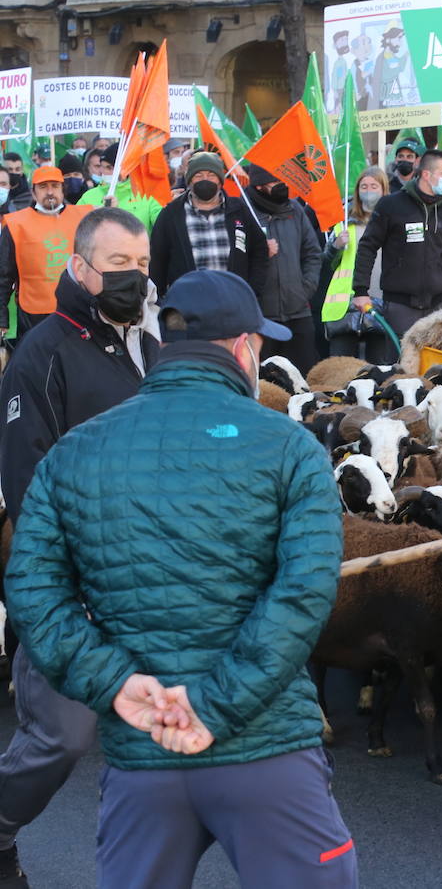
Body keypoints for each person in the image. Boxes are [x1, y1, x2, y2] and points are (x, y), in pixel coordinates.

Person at [4, 268, 356, 887]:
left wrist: (113, 683)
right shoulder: (291, 448)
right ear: (246, 348)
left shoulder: (75, 452)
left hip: (142, 757)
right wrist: (213, 707)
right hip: (267, 754)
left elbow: (33, 592)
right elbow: (301, 596)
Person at [0, 207, 160, 887]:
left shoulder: (158, 346)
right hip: (72, 584)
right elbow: (25, 480)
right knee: (61, 737)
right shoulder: (42, 354)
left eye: (143, 266)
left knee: (165, 737)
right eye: (119, 266)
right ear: (80, 266)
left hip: (155, 578)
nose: (134, 279)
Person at [352, 148, 442, 338]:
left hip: (437, 305)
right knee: (400, 364)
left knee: (434, 365)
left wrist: (441, 281)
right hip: (400, 306)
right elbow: (367, 247)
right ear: (426, 174)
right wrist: (361, 290)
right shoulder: (391, 205)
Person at [147, 151, 270, 297]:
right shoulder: (171, 214)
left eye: (211, 175)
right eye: (198, 175)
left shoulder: (239, 210)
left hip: (233, 304)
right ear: (189, 180)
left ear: (220, 180)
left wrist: (252, 291)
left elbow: (259, 251)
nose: (205, 179)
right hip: (188, 307)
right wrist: (160, 302)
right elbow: (157, 260)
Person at [245, 164, 322, 371]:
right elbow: (236, 260)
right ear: (260, 186)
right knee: (266, 383)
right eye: (275, 182)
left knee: (305, 378)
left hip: (298, 313)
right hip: (262, 317)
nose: (282, 186)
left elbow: (312, 253)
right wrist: (261, 252)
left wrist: (304, 290)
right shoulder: (243, 212)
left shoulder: (294, 210)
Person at [0, 166, 94, 337]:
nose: (50, 192)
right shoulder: (16, 224)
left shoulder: (84, 218)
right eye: (43, 187)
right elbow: (3, 276)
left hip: (76, 311)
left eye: (55, 186)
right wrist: (1, 317)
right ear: (33, 192)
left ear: (62, 190)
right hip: (33, 313)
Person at [322, 167, 390, 361]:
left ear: (384, 190)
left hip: (381, 299)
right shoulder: (345, 222)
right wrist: (336, 245)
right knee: (340, 366)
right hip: (346, 304)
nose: (368, 191)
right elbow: (328, 262)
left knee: (379, 365)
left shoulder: (391, 221)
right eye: (364, 186)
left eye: (374, 186)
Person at [77, 143, 163, 232]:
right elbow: (73, 227)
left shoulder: (147, 195)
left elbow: (164, 225)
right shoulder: (88, 196)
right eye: (101, 166)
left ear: (124, 169)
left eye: (109, 167)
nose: (103, 171)